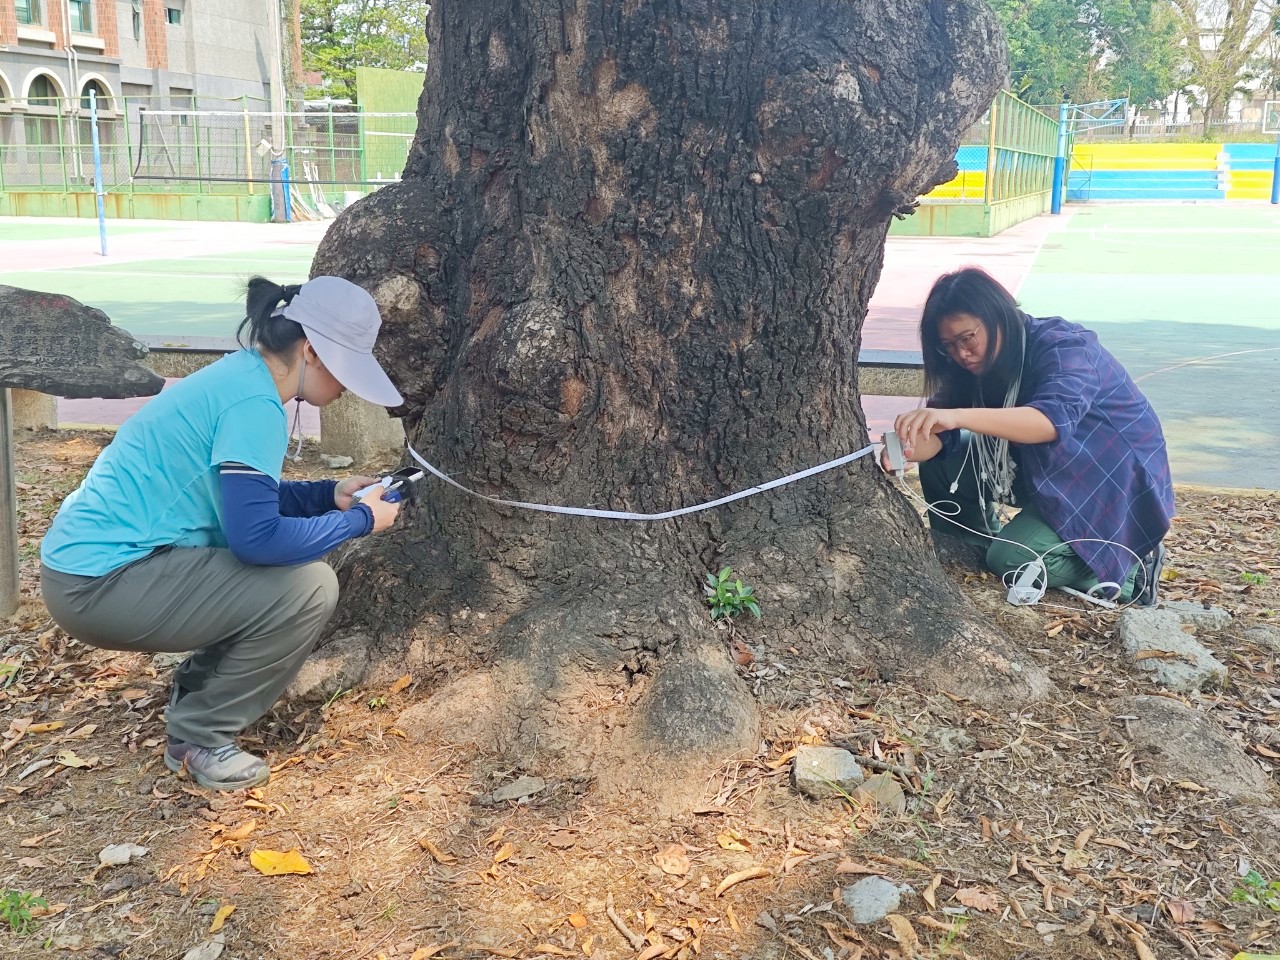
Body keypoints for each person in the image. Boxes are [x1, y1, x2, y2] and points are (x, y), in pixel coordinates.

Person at [40, 276, 404, 791]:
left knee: (281, 578)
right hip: (99, 586)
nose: (347, 388)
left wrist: (330, 495)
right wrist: (361, 521)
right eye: (346, 369)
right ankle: (199, 735)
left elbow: (239, 503)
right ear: (313, 351)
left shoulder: (240, 380)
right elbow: (257, 539)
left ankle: (195, 693)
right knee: (307, 588)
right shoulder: (253, 407)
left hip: (84, 571)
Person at [885, 267, 1174, 605]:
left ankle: (1129, 575)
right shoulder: (967, 366)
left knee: (1010, 559)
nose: (960, 354)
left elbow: (1051, 422)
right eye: (948, 346)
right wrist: (908, 446)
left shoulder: (1065, 345)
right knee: (942, 460)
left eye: (967, 338)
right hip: (1047, 468)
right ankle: (972, 550)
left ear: (999, 317)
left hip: (1107, 481)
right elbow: (940, 438)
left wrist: (955, 416)